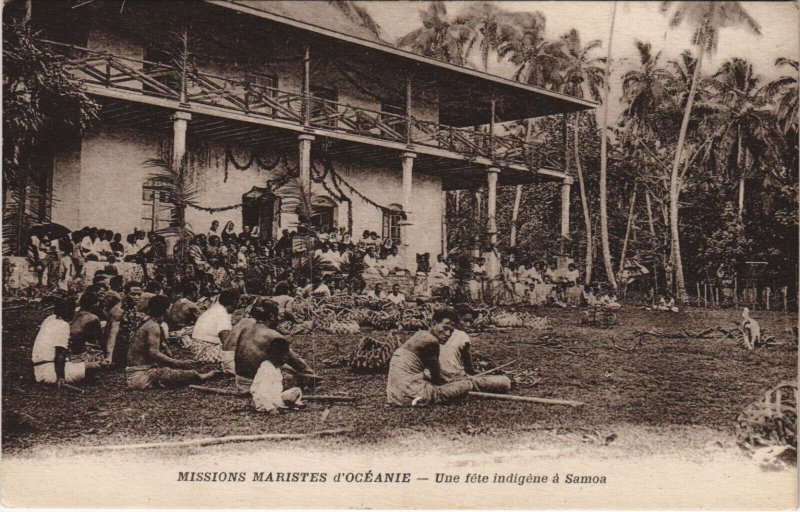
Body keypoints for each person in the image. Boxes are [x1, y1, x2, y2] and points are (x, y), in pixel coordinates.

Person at [386, 309, 478, 407]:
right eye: (445, 328)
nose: (447, 334)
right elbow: (436, 378)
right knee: (467, 384)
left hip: (394, 396)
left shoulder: (420, 335)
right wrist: (453, 383)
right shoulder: (432, 341)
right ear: (433, 323)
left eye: (451, 331)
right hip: (413, 395)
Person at [126, 295, 219, 389]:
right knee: (188, 374)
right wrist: (178, 363)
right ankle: (199, 376)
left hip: (138, 373)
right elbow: (154, 353)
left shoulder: (148, 323)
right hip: (141, 376)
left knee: (171, 370)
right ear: (166, 310)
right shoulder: (153, 326)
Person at [230, 300, 318, 393]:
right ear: (272, 316)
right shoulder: (272, 335)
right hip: (258, 384)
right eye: (278, 314)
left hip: (240, 381)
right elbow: (295, 360)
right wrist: (310, 373)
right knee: (297, 377)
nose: (279, 318)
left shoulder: (246, 328)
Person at [32, 297, 103, 386]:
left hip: (38, 368)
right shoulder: (63, 325)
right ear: (69, 311)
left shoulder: (50, 319)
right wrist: (60, 377)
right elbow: (60, 354)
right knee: (94, 366)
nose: (74, 313)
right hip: (49, 371)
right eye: (73, 310)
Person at [439, 307, 511, 393]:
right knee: (505, 381)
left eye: (470, 321)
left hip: (437, 377)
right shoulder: (462, 335)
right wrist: (473, 374)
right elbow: (469, 366)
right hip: (454, 379)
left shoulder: (438, 333)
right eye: (465, 321)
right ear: (456, 320)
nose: (468, 324)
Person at [188, 288, 240, 372]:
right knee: (242, 351)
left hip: (199, 347)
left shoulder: (217, 308)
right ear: (234, 302)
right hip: (205, 350)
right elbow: (226, 341)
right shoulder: (221, 313)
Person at [250, 337, 304, 414]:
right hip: (264, 401)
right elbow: (262, 392)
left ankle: (290, 404)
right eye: (284, 355)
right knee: (290, 397)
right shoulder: (267, 369)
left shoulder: (275, 367)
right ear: (277, 356)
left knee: (297, 390)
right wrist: (271, 408)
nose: (286, 358)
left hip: (274, 397)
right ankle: (283, 406)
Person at [105, 281, 146, 368]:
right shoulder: (118, 311)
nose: (136, 297)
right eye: (133, 294)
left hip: (129, 343)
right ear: (125, 293)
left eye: (139, 294)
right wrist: (109, 357)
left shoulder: (132, 306)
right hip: (120, 348)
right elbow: (112, 335)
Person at [70, 292, 106, 361]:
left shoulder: (75, 314)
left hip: (73, 347)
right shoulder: (92, 318)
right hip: (83, 350)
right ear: (95, 304)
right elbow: (99, 337)